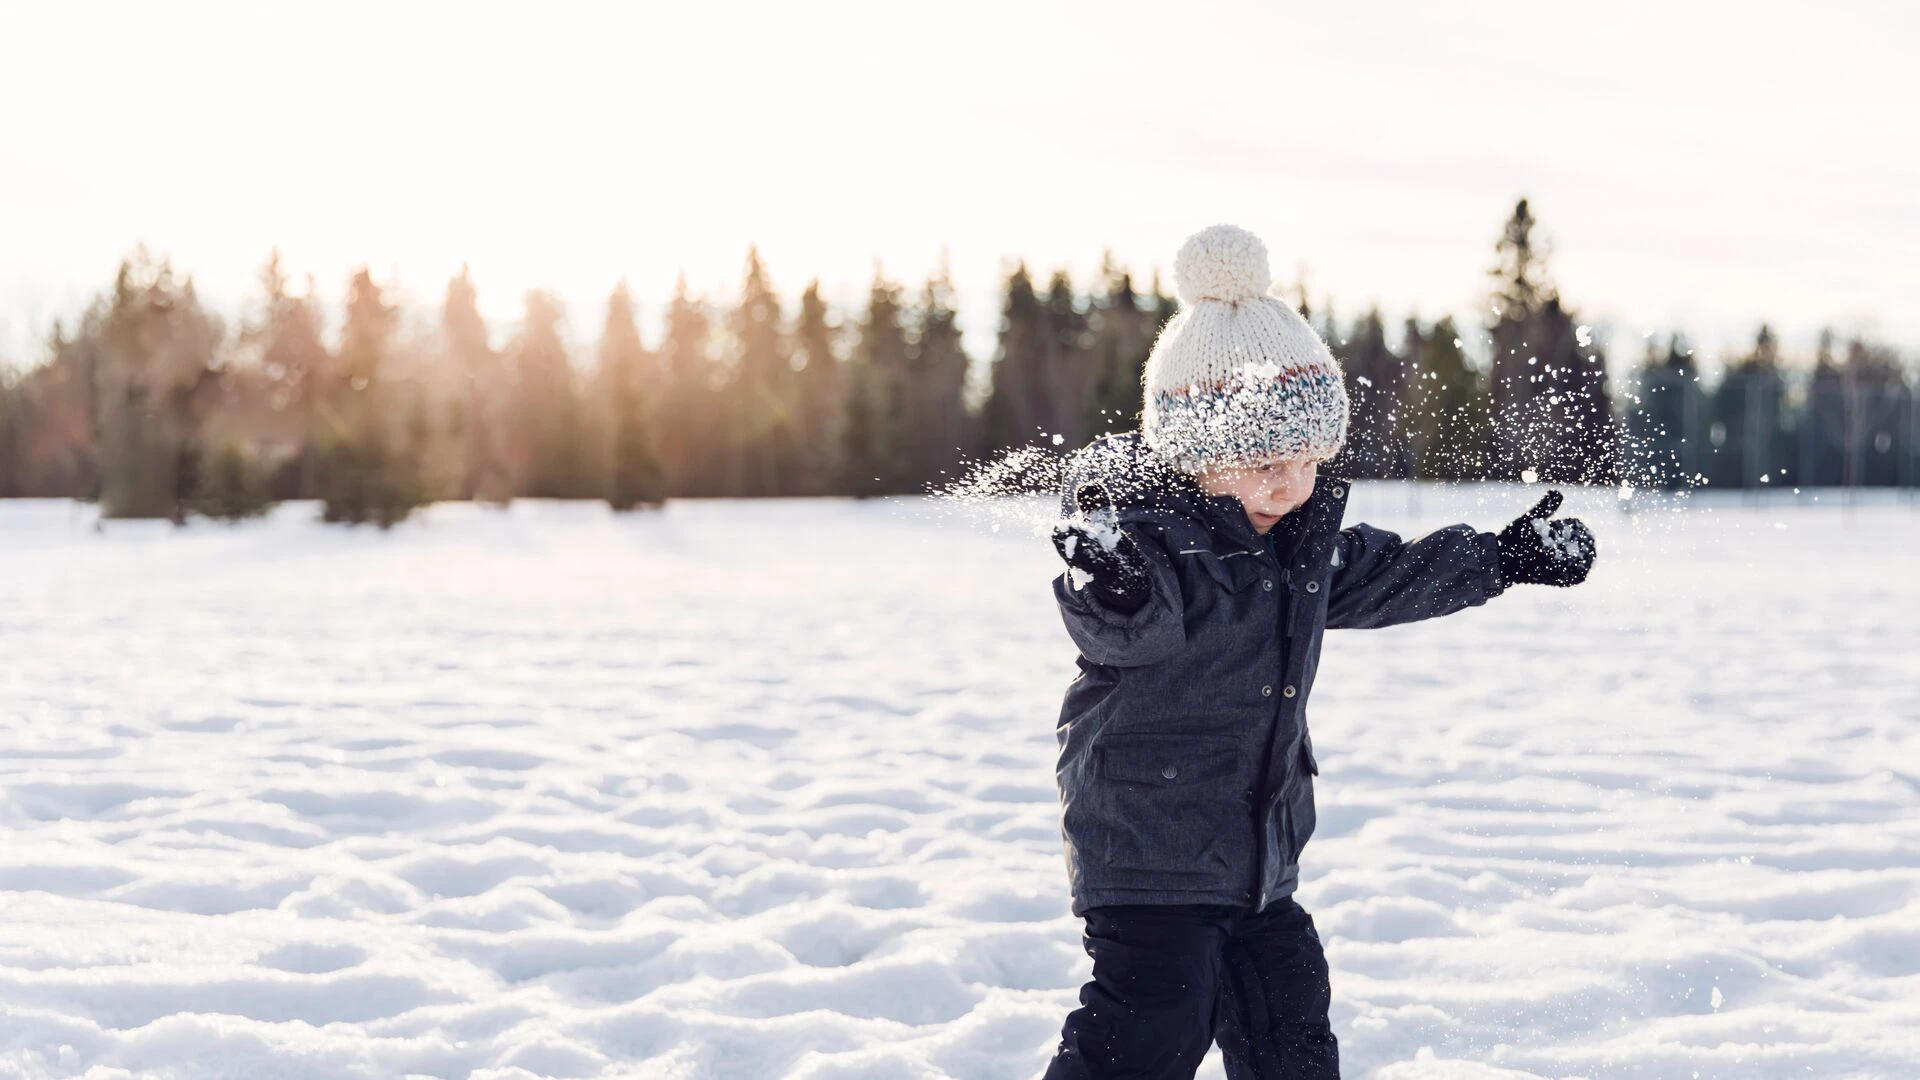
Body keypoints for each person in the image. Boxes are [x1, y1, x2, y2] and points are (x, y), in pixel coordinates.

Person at [1043, 225, 1596, 1079]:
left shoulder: (1299, 549)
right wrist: (1113, 579)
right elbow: (1121, 622)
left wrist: (1504, 558)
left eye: (1305, 459)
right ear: (1195, 458)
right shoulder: (1149, 542)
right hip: (1148, 852)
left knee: (1290, 1023)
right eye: (1260, 461)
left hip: (1257, 860)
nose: (1286, 484)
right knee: (1153, 1024)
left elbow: (1398, 573)